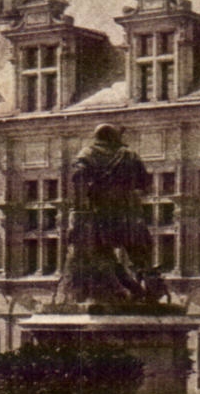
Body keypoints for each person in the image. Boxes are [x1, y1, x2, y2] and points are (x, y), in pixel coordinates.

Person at [63, 123, 164, 304]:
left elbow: (78, 179)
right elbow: (144, 183)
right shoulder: (129, 155)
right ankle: (152, 288)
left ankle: (112, 290)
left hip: (101, 211)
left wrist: (80, 207)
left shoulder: (87, 154)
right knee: (139, 253)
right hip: (128, 210)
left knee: (101, 251)